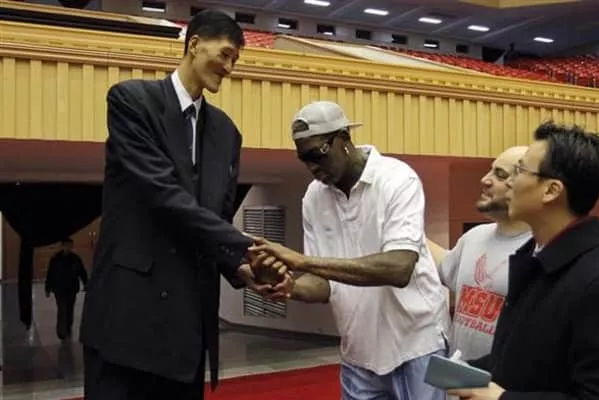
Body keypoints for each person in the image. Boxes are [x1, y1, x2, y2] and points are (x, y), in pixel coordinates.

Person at [79, 10, 285, 400]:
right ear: (194, 44)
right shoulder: (131, 101)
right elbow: (163, 195)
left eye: (236, 60)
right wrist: (249, 246)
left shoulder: (227, 133)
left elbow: (216, 220)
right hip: (125, 325)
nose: (229, 68)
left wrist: (242, 268)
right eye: (225, 54)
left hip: (188, 335)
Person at [250, 101, 451, 400]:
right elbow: (323, 283)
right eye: (304, 159)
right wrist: (288, 287)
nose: (312, 167)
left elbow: (399, 268)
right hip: (358, 352)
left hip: (416, 345)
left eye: (318, 154)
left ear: (343, 139)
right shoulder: (314, 198)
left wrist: (301, 261)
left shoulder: (397, 179)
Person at [448, 122, 599, 399]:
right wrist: (471, 371)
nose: (510, 183)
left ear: (551, 190)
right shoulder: (532, 256)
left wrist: (501, 398)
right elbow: (524, 359)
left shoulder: (593, 278)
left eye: (519, 171)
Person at [427, 146, 531, 362]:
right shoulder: (475, 236)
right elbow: (445, 265)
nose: (485, 179)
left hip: (502, 381)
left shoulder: (540, 250)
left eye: (500, 175)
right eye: (490, 170)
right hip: (459, 374)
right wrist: (405, 231)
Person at [45, 238, 88, 341]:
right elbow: (50, 274)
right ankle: (61, 331)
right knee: (62, 310)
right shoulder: (55, 259)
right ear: (62, 246)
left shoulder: (76, 259)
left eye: (70, 246)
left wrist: (86, 284)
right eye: (67, 245)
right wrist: (47, 288)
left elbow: (82, 272)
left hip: (71, 289)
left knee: (69, 310)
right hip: (59, 289)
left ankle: (68, 328)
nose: (69, 248)